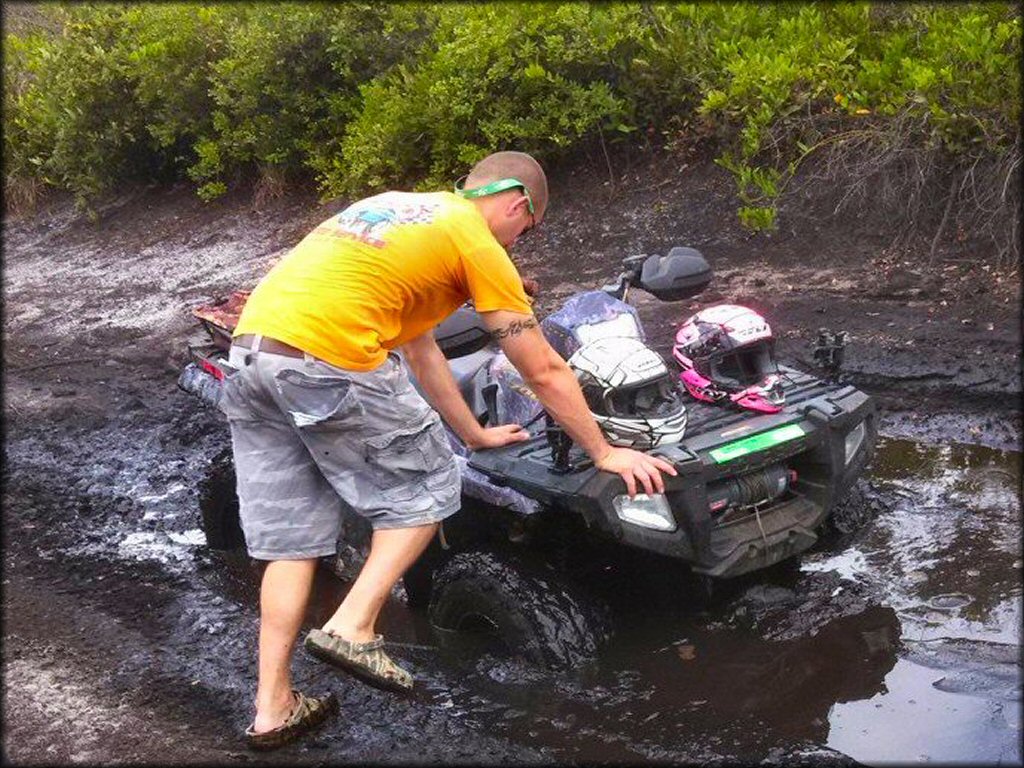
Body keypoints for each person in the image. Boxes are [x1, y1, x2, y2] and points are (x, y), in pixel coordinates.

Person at [218, 151, 677, 749]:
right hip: (326, 360)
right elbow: (540, 367)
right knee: (431, 486)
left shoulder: (396, 211)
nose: (519, 242)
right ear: (518, 206)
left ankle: (272, 707)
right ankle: (355, 626)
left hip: (252, 359)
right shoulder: (476, 240)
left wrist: (475, 434)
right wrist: (604, 451)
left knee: (292, 543)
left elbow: (421, 352)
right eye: (526, 230)